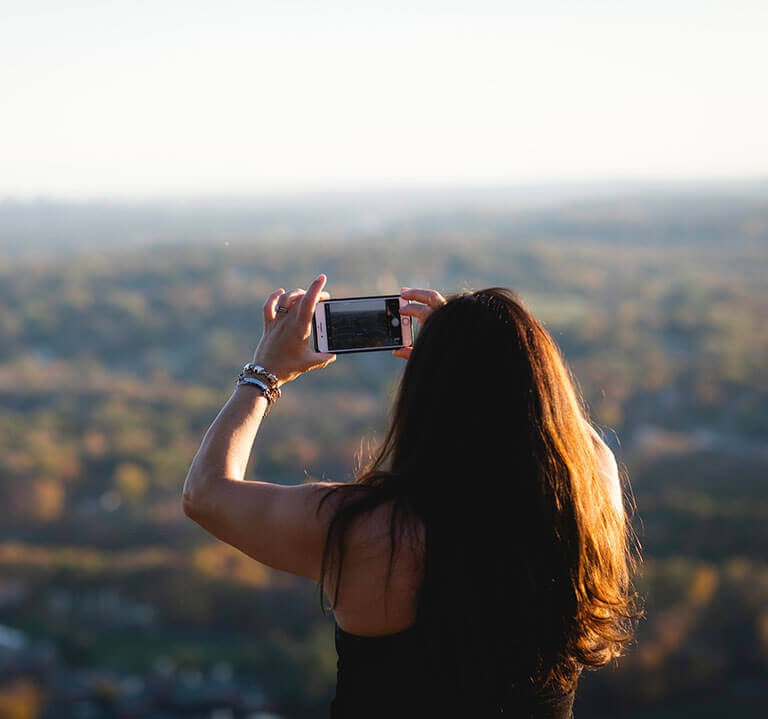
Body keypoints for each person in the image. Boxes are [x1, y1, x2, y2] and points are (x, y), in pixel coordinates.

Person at [183, 274, 641, 717]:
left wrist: (265, 371)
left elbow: (205, 493)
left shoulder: (365, 532)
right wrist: (486, 356)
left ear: (420, 398)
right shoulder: (588, 500)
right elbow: (567, 436)